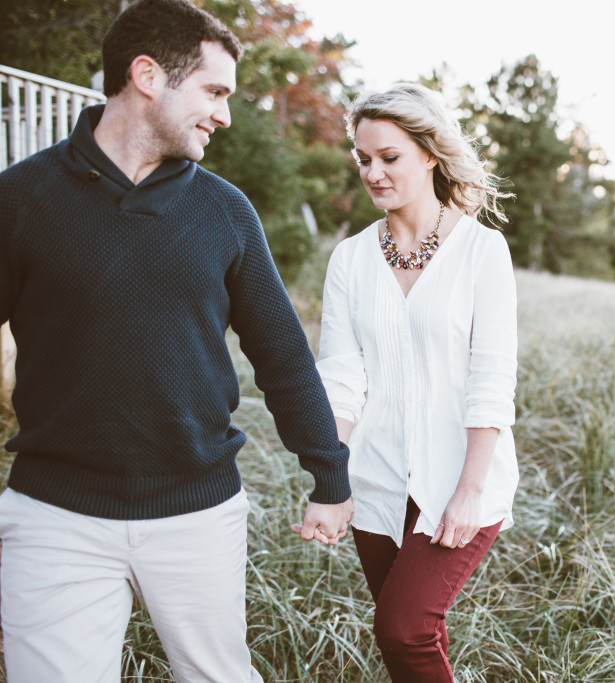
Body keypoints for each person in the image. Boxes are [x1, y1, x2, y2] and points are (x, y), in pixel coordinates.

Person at [0, 0, 354, 680]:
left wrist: (329, 474)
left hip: (197, 512)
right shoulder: (21, 200)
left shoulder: (225, 213)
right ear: (147, 75)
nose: (224, 114)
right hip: (52, 516)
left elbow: (281, 353)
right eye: (214, 91)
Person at [316, 82, 519, 682]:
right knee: (416, 636)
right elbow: (341, 378)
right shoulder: (350, 260)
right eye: (363, 159)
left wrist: (468, 490)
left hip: (459, 477)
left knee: (400, 630)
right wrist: (332, 479)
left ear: (429, 154)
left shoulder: (483, 251)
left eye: (389, 157)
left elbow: (492, 376)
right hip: (375, 479)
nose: (373, 173)